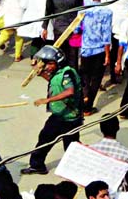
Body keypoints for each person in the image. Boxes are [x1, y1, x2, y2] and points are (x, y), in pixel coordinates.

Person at [21, 46, 83, 175]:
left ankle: (75, 171)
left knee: (71, 147)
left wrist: (48, 100)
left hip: (70, 118)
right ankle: (37, 165)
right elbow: (55, 82)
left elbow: (69, 91)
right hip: (58, 115)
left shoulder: (67, 73)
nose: (47, 67)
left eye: (50, 63)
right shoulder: (58, 74)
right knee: (44, 139)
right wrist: (41, 73)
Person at [79, 0, 112, 116]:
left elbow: (76, 28)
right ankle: (88, 106)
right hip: (99, 50)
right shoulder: (107, 12)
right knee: (96, 79)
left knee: (85, 76)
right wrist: (107, 54)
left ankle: (84, 98)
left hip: (86, 48)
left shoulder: (83, 11)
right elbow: (106, 33)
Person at [41, 0, 84, 69]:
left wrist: (80, 27)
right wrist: (45, 28)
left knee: (73, 58)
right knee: (59, 56)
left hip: (73, 30)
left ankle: (73, 78)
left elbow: (81, 10)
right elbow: (48, 11)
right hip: (59, 30)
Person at [17, 0, 51, 64]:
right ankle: (41, 59)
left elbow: (23, 4)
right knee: (42, 39)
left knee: (35, 40)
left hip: (32, 18)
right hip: (42, 20)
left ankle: (33, 59)